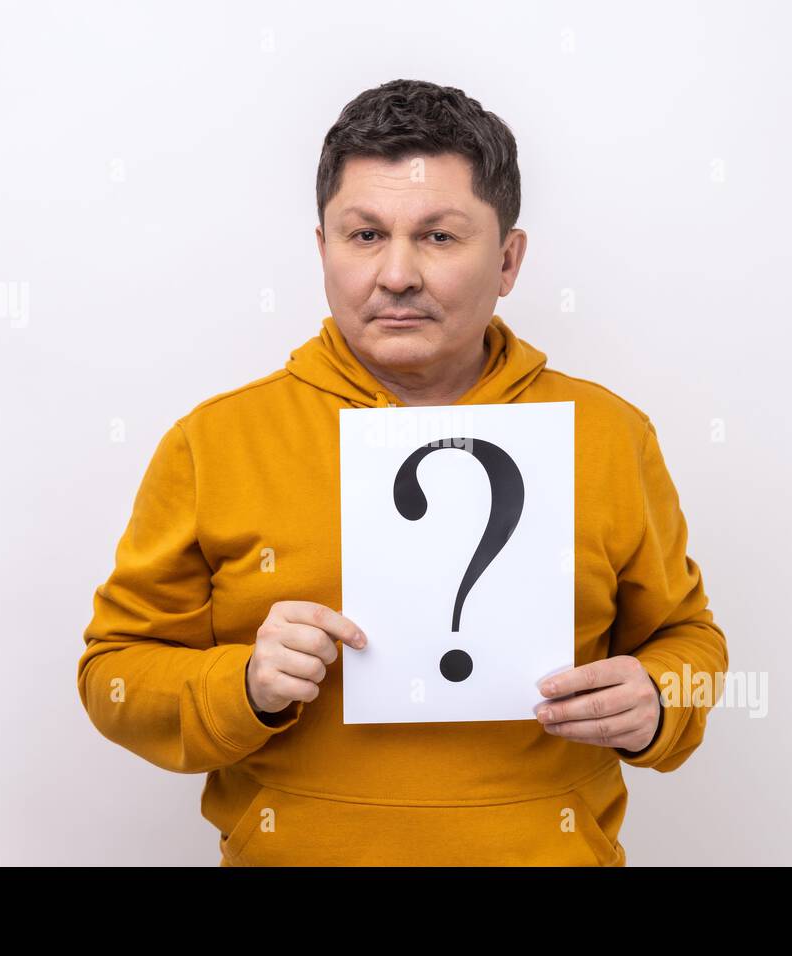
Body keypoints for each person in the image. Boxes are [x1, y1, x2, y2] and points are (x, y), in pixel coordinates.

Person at [77, 78, 728, 866]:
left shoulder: (610, 435)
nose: (396, 275)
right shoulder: (214, 442)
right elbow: (113, 676)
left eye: (439, 237)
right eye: (364, 236)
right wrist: (242, 684)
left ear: (510, 259)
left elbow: (689, 642)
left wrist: (662, 701)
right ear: (322, 248)